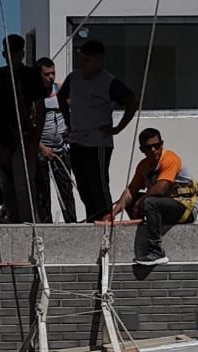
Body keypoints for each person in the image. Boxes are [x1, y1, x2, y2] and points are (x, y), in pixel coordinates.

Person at [58, 39, 139, 221]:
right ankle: (91, 219)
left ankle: (105, 220)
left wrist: (117, 128)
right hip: (77, 140)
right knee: (83, 186)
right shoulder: (74, 78)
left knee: (98, 185)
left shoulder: (108, 81)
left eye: (87, 60)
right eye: (82, 59)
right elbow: (61, 97)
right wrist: (69, 122)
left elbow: (132, 102)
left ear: (98, 60)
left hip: (98, 141)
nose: (83, 63)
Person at [107, 128, 198, 266]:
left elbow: (161, 189)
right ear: (142, 149)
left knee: (149, 202)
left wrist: (141, 200)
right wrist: (113, 213)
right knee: (135, 200)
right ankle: (144, 236)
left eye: (157, 145)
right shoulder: (143, 166)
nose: (153, 150)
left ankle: (157, 251)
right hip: (165, 205)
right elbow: (131, 191)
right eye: (148, 147)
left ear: (161, 144)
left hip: (185, 208)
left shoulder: (170, 159)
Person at [0, 34, 46, 223]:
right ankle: (13, 222)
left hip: (24, 138)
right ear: (4, 54)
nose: (13, 56)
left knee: (24, 185)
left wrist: (35, 141)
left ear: (22, 53)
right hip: (1, 140)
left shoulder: (30, 75)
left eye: (17, 52)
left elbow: (40, 108)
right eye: (9, 53)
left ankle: (29, 224)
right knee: (7, 185)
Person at [35, 57, 77, 223]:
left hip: (61, 148)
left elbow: (72, 110)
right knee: (42, 192)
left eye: (53, 73)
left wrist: (71, 130)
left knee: (66, 189)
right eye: (46, 74)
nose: (51, 77)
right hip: (42, 150)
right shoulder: (34, 95)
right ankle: (46, 224)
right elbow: (28, 127)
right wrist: (40, 147)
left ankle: (71, 222)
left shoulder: (60, 89)